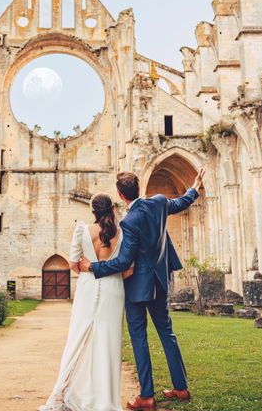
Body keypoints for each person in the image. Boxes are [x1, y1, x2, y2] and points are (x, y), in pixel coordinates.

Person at [79, 168, 205, 411]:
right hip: (160, 280)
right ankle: (181, 388)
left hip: (138, 287)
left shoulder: (129, 221)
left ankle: (147, 396)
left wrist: (93, 267)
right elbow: (181, 202)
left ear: (120, 194)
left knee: (140, 338)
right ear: (138, 188)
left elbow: (124, 262)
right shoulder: (158, 202)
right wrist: (195, 186)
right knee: (167, 334)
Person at [39, 192, 132, 411]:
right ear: (111, 208)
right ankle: (106, 399)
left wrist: (86, 266)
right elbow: (127, 268)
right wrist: (114, 274)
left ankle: (69, 392)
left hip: (88, 286)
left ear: (93, 211)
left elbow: (73, 263)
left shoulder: (82, 230)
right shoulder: (122, 233)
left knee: (78, 338)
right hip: (114, 289)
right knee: (108, 342)